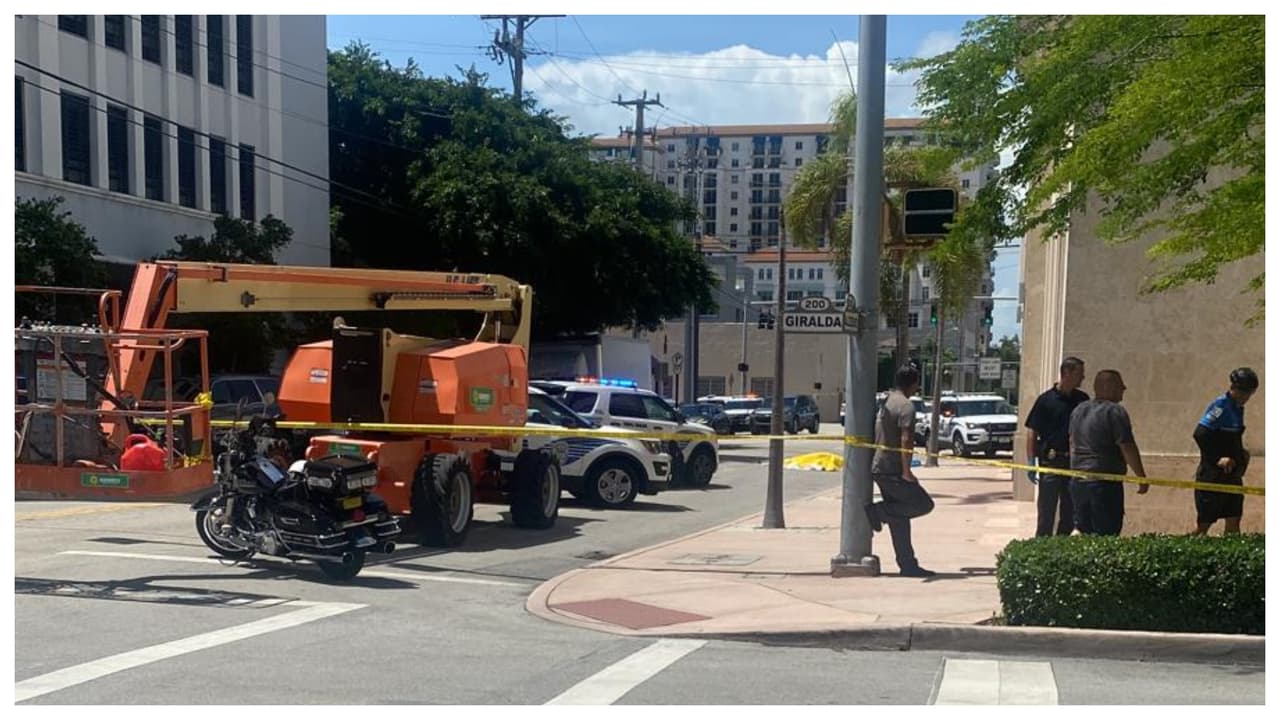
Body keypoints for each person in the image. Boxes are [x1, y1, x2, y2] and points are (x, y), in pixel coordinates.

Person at [866, 364, 936, 577]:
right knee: (923, 504)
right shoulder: (906, 407)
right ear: (914, 384)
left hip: (880, 465)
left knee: (900, 515)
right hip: (892, 468)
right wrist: (907, 471)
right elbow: (906, 440)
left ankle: (907, 564)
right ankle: (878, 511)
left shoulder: (886, 402)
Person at [1068, 370, 1148, 536]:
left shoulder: (1078, 410)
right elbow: (1127, 446)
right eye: (1120, 384)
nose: (1124, 388)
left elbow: (1071, 443)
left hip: (1078, 482)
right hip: (1104, 484)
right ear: (1107, 387)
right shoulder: (1115, 412)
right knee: (1107, 534)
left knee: (1083, 531)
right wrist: (1141, 476)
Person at [1024, 356, 1088, 537]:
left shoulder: (1082, 400)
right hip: (1051, 463)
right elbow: (1032, 431)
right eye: (1080, 374)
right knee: (1046, 514)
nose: (1083, 378)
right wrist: (1031, 461)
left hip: (1073, 464)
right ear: (1067, 373)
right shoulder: (1045, 400)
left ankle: (1060, 547)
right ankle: (1042, 548)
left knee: (1070, 514)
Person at [1192, 367, 1258, 536]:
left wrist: (1242, 454)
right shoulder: (1220, 406)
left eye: (1249, 393)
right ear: (1233, 387)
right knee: (1203, 527)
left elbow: (1231, 438)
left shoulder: (1238, 408)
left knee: (1234, 522)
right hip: (1212, 476)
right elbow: (1200, 434)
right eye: (1243, 392)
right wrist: (1217, 459)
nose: (1245, 397)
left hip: (1232, 476)